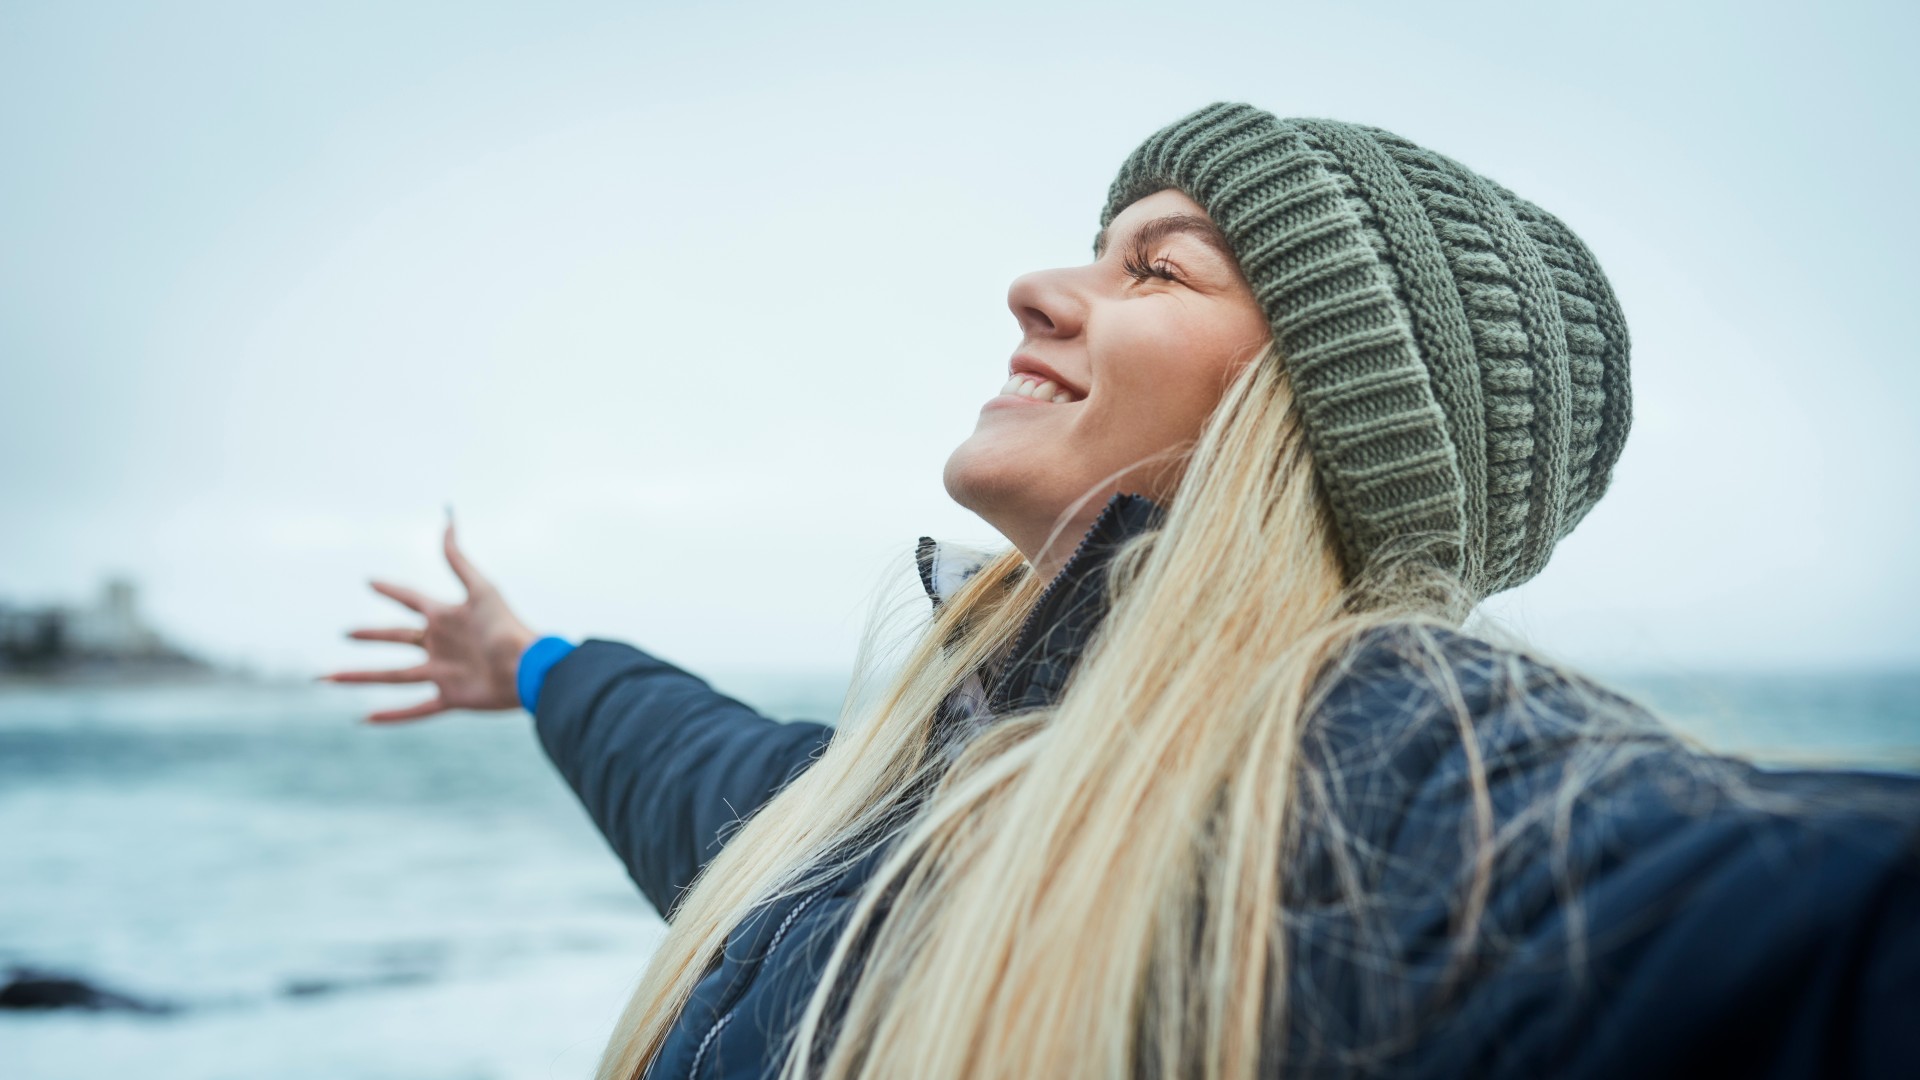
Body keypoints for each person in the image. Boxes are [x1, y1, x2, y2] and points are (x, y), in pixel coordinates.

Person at [325, 102, 1920, 1080]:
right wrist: (529, 661)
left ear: (1328, 415)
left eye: (1156, 268)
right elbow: (700, 770)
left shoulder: (1395, 787)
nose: (1040, 285)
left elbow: (1790, 933)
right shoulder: (914, 789)